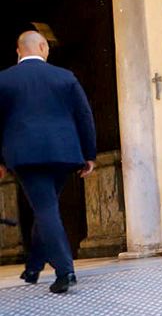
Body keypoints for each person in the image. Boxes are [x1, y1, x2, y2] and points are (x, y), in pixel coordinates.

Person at [0, 31, 95, 293]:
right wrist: (89, 154)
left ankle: (65, 271)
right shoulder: (65, 77)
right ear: (43, 47)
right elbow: (84, 115)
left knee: (45, 208)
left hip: (26, 156)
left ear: (18, 51)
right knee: (47, 207)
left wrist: (1, 160)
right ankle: (33, 267)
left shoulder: (4, 80)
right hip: (65, 154)